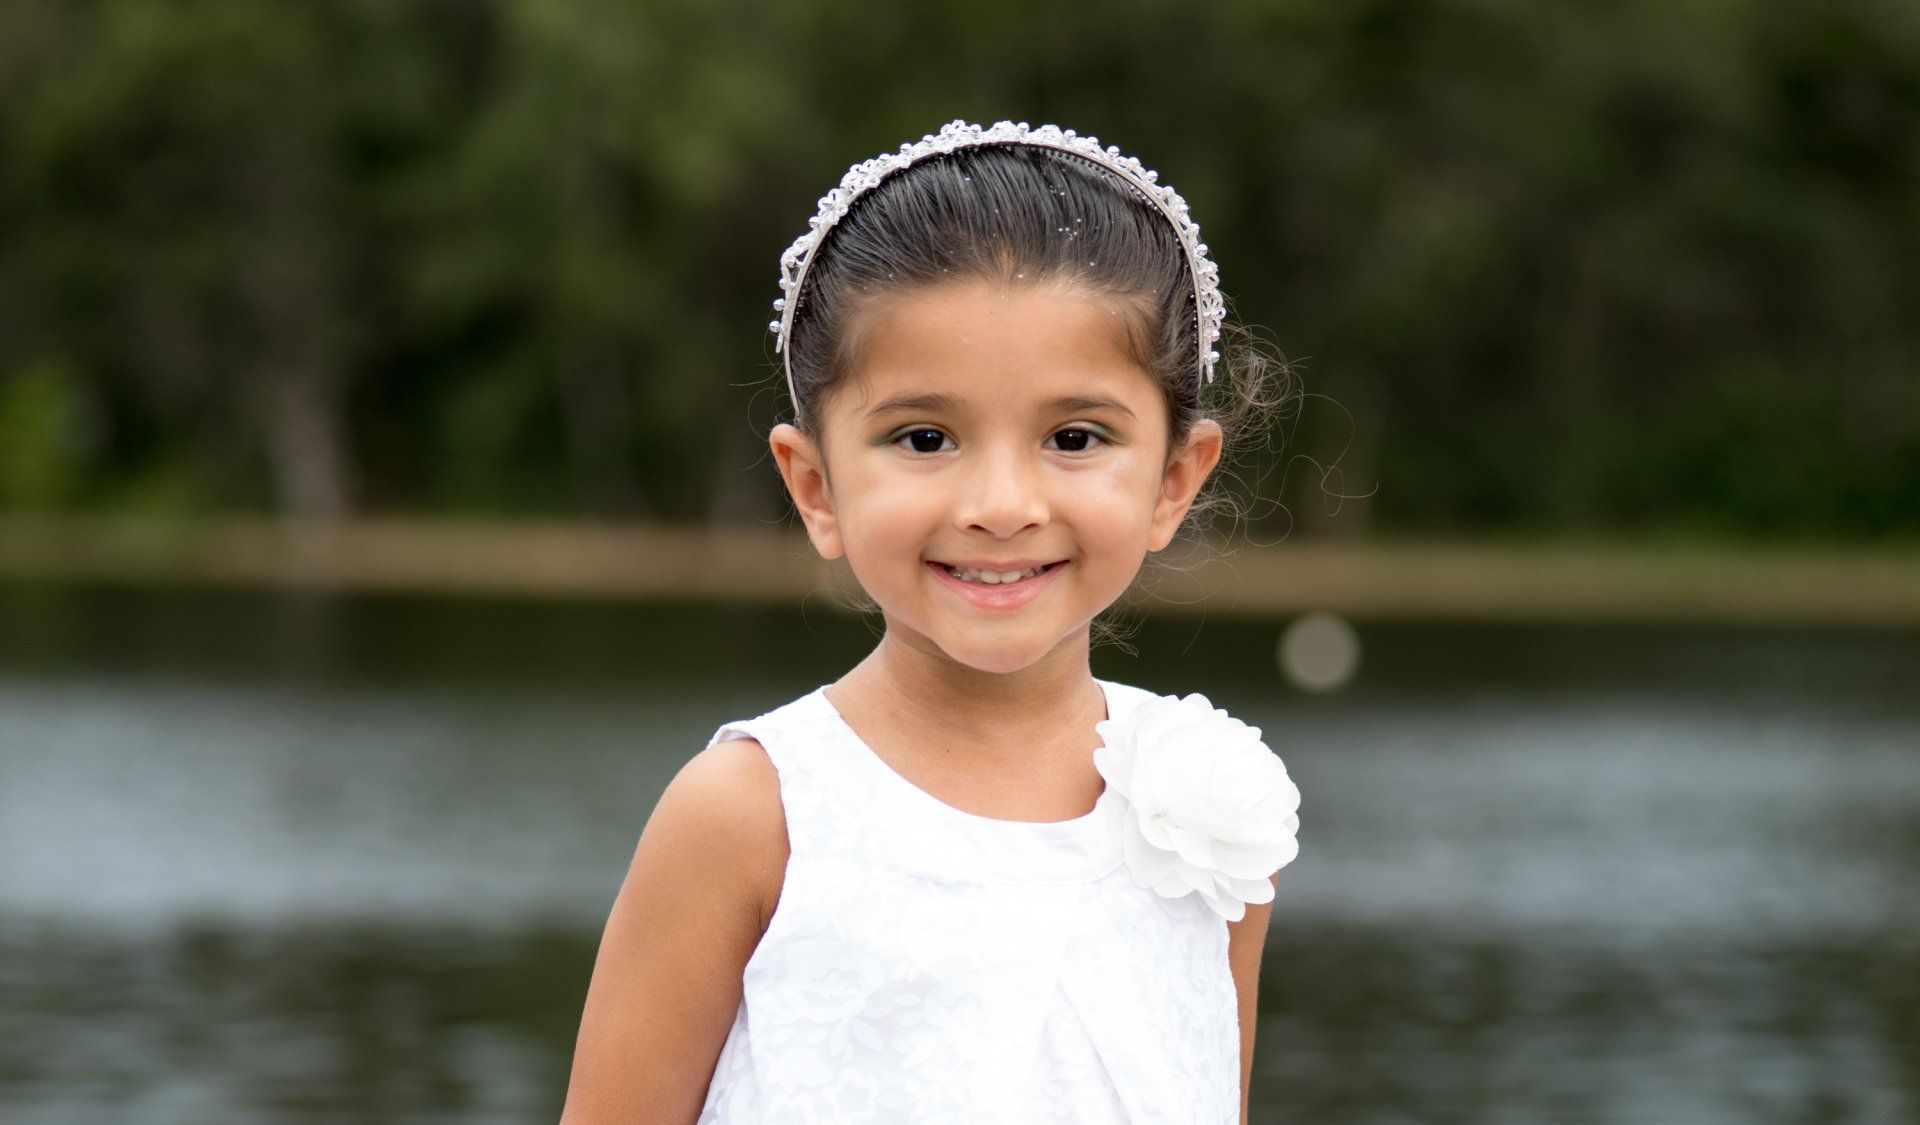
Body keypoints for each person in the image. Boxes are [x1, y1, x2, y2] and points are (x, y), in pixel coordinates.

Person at [559, 120, 1302, 1124]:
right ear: (816, 486)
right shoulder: (751, 815)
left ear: (1174, 480)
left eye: (1074, 437)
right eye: (925, 437)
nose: (1001, 502)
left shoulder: (1209, 809)